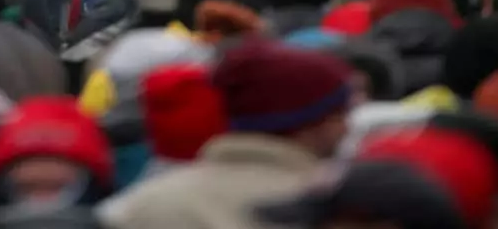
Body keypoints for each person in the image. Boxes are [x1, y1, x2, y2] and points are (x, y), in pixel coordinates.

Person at [100, 37, 354, 229]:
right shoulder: (348, 209)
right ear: (315, 122)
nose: (346, 127)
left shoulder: (144, 206)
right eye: (340, 114)